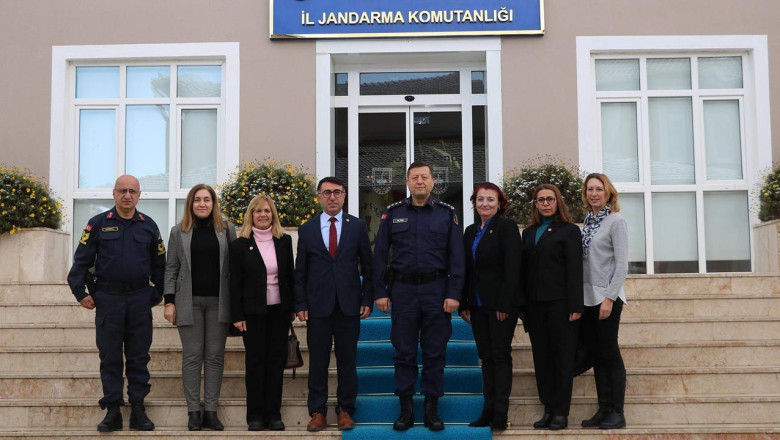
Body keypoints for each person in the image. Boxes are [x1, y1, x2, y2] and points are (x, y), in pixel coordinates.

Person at [66, 174, 165, 432]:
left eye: (132, 191)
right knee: (110, 356)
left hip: (139, 299)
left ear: (139, 195)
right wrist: (80, 292)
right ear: (114, 193)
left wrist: (157, 294)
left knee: (138, 356)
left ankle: (138, 409)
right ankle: (112, 410)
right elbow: (81, 262)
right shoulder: (97, 224)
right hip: (108, 299)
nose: (127, 195)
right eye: (122, 190)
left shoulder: (149, 226)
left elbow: (160, 267)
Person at [373, 161, 465, 432]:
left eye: (425, 177)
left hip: (437, 291)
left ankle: (431, 409)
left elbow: (457, 258)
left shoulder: (447, 214)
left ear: (433, 182)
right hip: (403, 292)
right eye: (415, 177)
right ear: (408, 182)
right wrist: (380, 291)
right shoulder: (392, 214)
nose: (420, 181)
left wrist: (454, 293)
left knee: (435, 351)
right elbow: (380, 255)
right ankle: (405, 410)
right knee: (404, 351)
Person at [294, 177, 373, 432]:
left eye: (337, 192)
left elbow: (368, 268)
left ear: (344, 196)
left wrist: (367, 299)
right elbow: (300, 271)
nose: (332, 197)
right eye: (326, 192)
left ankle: (345, 410)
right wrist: (300, 303)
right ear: (319, 196)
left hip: (349, 305)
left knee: (347, 361)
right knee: (317, 361)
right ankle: (317, 411)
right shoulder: (306, 229)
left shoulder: (358, 227)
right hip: (317, 306)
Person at [163, 184, 236, 431]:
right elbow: (171, 267)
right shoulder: (178, 231)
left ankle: (211, 412)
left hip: (219, 302)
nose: (202, 204)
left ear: (214, 203)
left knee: (214, 357)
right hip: (188, 302)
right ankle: (194, 412)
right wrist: (169, 301)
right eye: (197, 200)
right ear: (190, 204)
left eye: (207, 199)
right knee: (192, 357)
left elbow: (235, 269)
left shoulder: (227, 230)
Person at [520, 183, 583, 430]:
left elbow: (575, 271)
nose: (545, 203)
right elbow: (523, 271)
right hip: (535, 308)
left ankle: (561, 412)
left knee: (562, 360)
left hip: (561, 305)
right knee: (542, 359)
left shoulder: (569, 231)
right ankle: (547, 408)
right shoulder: (528, 233)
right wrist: (522, 306)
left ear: (558, 202)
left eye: (550, 199)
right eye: (540, 200)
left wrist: (576, 305)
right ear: (535, 204)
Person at [230, 193, 294, 431]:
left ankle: (273, 414)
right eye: (258, 211)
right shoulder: (239, 245)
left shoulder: (284, 241)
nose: (263, 215)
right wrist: (237, 315)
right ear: (251, 215)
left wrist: (293, 306)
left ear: (273, 214)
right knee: (255, 363)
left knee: (276, 363)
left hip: (279, 311)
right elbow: (234, 282)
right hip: (252, 313)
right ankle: (255, 416)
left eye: (267, 211)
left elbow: (289, 275)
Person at [460, 182, 522, 432]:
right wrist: (464, 302)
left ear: (499, 204)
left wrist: (505, 303)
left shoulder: (506, 227)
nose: (485, 204)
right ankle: (487, 409)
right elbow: (467, 269)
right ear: (474, 203)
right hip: (476, 305)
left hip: (500, 305)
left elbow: (513, 266)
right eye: (481, 199)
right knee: (486, 357)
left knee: (500, 356)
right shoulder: (470, 230)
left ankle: (500, 412)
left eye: (490, 200)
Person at [579, 173, 628, 430]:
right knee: (597, 355)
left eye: (599, 189)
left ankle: (617, 412)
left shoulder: (615, 221)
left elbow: (622, 264)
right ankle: (604, 408)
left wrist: (609, 297)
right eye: (590, 189)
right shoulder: (588, 222)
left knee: (609, 354)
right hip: (587, 298)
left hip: (606, 297)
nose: (594, 193)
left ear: (608, 193)